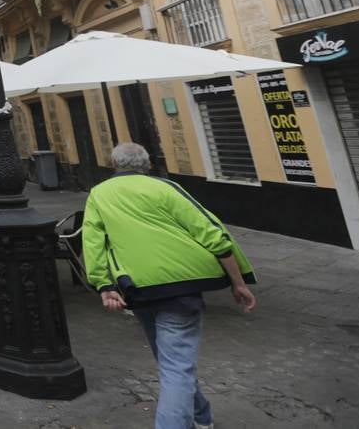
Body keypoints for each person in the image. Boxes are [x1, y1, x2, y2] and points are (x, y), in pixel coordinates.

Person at [83, 143, 256, 429]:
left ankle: (201, 417)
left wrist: (104, 285)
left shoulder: (99, 194)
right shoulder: (166, 188)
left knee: (173, 364)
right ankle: (198, 417)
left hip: (137, 288)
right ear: (147, 165)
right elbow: (211, 233)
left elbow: (93, 243)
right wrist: (238, 283)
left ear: (113, 163)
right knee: (176, 365)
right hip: (182, 288)